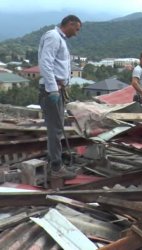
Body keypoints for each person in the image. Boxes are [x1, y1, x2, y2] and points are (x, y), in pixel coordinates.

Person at [38, 15, 82, 180]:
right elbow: (46, 63)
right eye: (76, 29)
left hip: (57, 89)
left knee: (56, 129)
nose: (76, 34)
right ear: (69, 24)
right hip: (52, 90)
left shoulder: (59, 39)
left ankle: (54, 161)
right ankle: (56, 167)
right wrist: (53, 89)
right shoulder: (53, 36)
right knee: (55, 130)